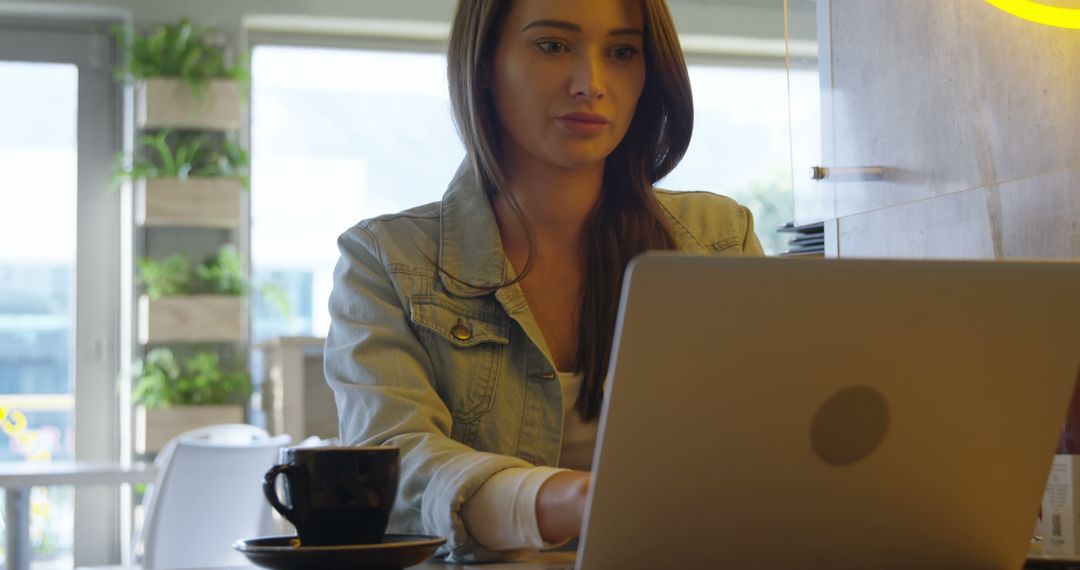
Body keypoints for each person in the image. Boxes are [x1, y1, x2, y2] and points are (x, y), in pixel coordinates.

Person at [324, 0, 764, 563]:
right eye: (553, 46)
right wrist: (573, 500)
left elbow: (769, 439)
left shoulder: (719, 239)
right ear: (483, 64)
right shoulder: (386, 260)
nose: (591, 84)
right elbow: (392, 462)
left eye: (622, 52)